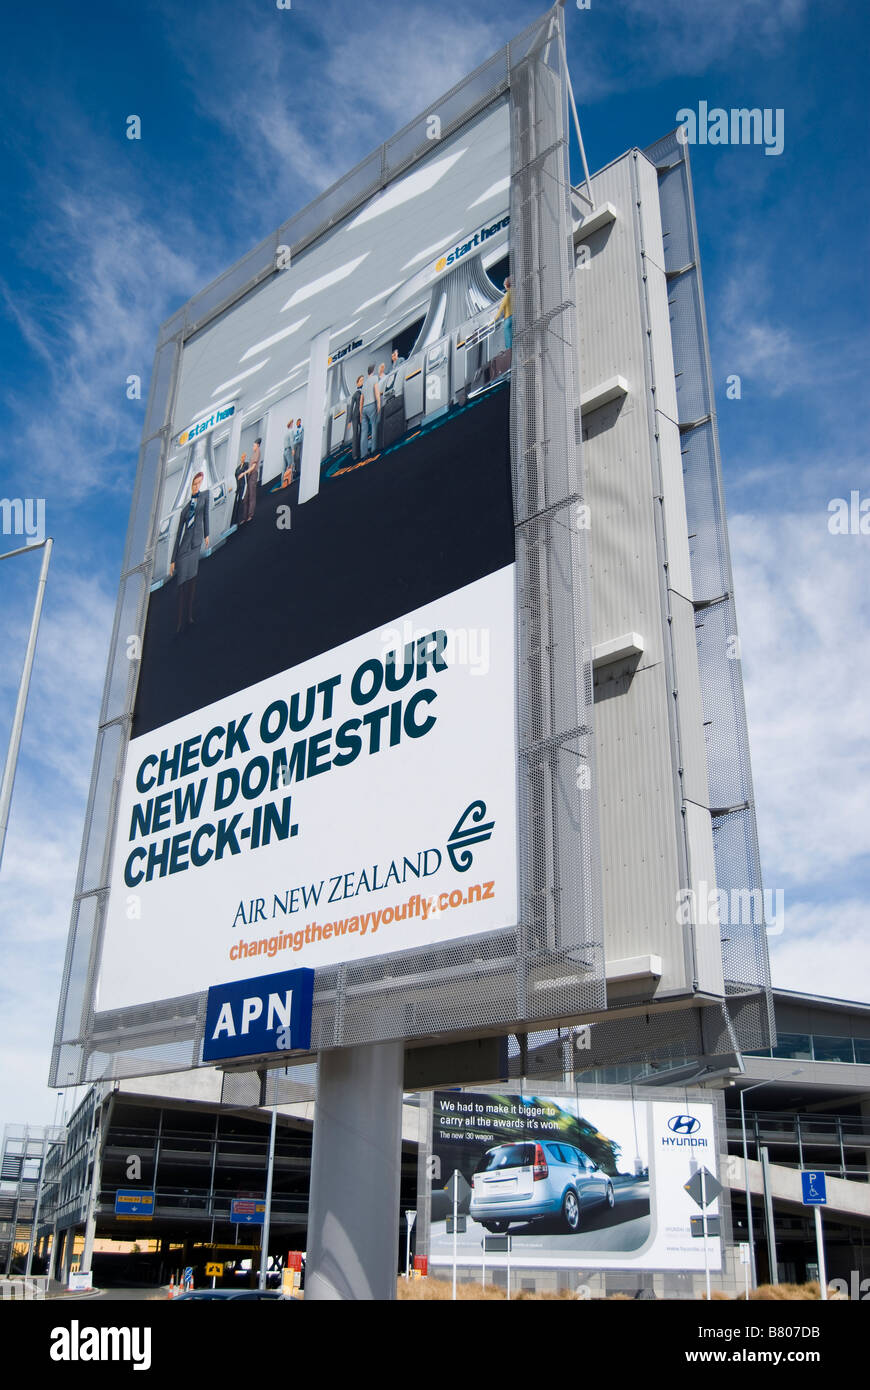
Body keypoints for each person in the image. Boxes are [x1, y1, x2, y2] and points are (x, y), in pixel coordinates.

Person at [170, 471, 210, 632]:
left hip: (196, 544)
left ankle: (189, 616)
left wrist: (207, 534)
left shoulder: (205, 496)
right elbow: (179, 533)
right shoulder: (185, 509)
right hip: (184, 549)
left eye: (199, 483)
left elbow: (206, 516)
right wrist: (173, 559)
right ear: (191, 486)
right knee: (182, 586)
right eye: (194, 484)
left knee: (192, 582)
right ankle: (179, 622)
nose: (197, 486)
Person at [360, 364, 380, 459]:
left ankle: (363, 453)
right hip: (372, 405)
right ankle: (373, 449)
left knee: (364, 431)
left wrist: (360, 412)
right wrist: (379, 403)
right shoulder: (375, 378)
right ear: (373, 371)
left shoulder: (364, 385)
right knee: (374, 427)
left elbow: (361, 400)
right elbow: (376, 392)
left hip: (364, 408)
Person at [493, 274, 513, 354]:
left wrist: (493, 320)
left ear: (506, 286)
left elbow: (500, 311)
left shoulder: (506, 296)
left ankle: (509, 351)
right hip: (515, 316)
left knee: (508, 336)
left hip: (508, 319)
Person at [243, 442, 259, 523]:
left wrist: (244, 473)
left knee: (251, 496)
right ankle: (244, 517)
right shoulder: (254, 454)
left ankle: (250, 515)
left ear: (257, 445)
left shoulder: (257, 453)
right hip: (250, 475)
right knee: (246, 497)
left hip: (253, 475)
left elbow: (253, 467)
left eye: (254, 445)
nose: (253, 447)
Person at [349, 375, 364, 460]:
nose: (362, 382)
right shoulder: (355, 394)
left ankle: (361, 450)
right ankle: (354, 454)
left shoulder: (364, 391)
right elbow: (351, 407)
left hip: (362, 414)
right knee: (355, 434)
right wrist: (349, 420)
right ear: (357, 383)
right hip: (355, 416)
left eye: (363, 380)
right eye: (360, 381)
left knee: (362, 431)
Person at [230, 454, 247, 527]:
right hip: (237, 486)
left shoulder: (246, 465)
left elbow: (247, 475)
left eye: (244, 457)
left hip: (242, 485)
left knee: (241, 501)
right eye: (242, 457)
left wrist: (243, 474)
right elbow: (235, 477)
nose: (242, 458)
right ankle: (233, 520)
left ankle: (239, 520)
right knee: (235, 503)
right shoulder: (237, 468)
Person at [282, 420, 295, 486]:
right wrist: (293, 449)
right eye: (292, 423)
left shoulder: (286, 432)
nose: (293, 424)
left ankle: (283, 483)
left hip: (284, 451)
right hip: (289, 450)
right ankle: (289, 481)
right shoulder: (291, 431)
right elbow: (291, 440)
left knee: (284, 468)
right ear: (290, 424)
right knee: (290, 465)